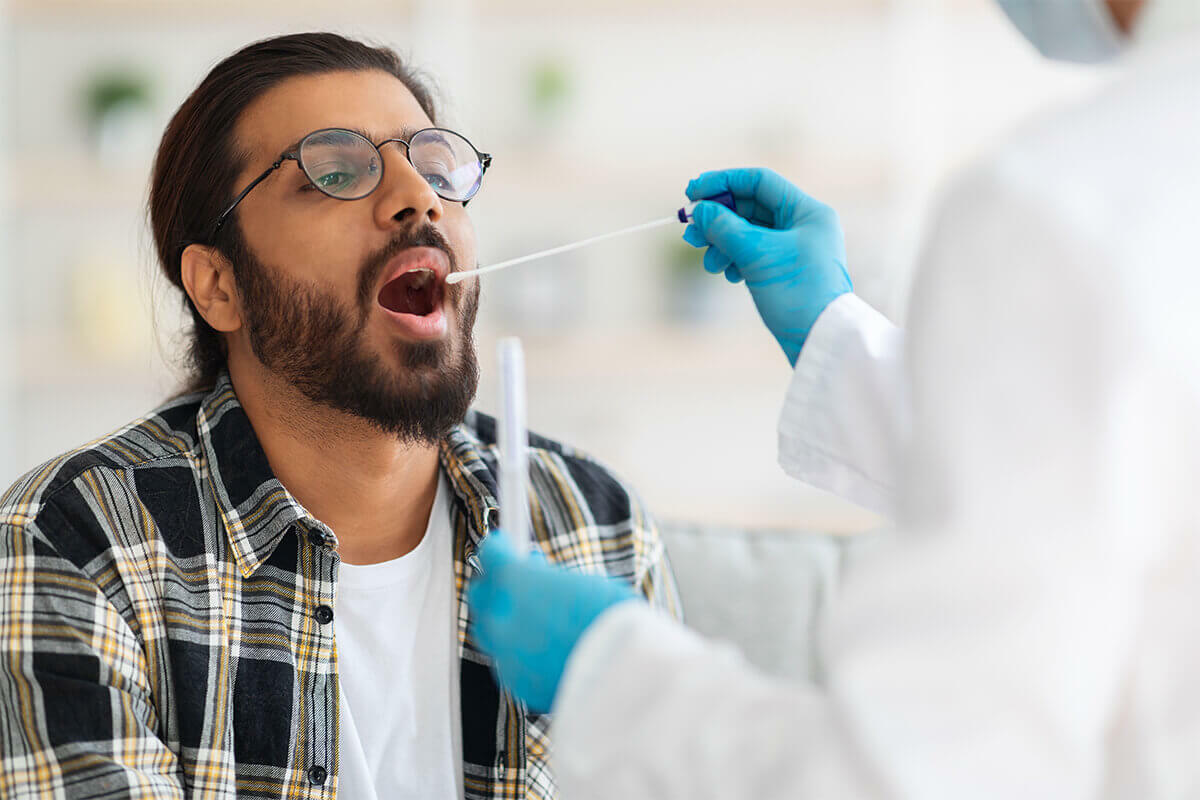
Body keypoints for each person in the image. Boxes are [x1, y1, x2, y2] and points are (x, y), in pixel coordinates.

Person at [468, 0, 1200, 796]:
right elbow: (1105, 479)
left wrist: (608, 670)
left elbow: (922, 777)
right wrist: (830, 330)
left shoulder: (1056, 204)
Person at [0, 32, 680, 800]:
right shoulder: (75, 545)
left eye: (435, 169)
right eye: (332, 173)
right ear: (218, 285)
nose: (418, 197)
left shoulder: (597, 525)